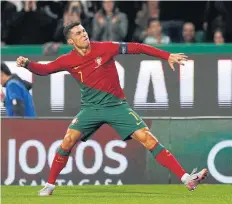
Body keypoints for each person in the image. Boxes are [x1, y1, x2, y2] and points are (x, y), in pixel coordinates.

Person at [16, 22, 208, 196]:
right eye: (78, 33)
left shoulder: (105, 48)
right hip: (90, 109)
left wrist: (167, 56)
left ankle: (186, 179)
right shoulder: (67, 60)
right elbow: (45, 70)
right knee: (67, 141)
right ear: (70, 40)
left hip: (117, 106)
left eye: (84, 30)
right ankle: (49, 185)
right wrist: (27, 64)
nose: (84, 34)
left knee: (148, 138)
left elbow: (138, 47)